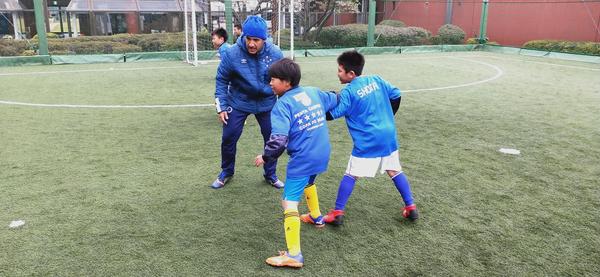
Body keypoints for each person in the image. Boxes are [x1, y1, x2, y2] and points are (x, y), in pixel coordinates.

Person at [312, 50, 419, 225]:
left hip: (368, 140)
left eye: (340, 70)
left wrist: (316, 111)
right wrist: (390, 115)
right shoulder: (377, 79)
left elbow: (334, 113)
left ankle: (337, 212)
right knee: (394, 170)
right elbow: (396, 94)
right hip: (388, 135)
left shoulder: (348, 92)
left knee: (351, 174)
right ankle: (411, 207)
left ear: (351, 73)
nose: (337, 73)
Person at [255, 58, 338, 268]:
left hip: (303, 157)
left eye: (273, 79)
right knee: (310, 182)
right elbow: (335, 98)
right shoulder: (313, 92)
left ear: (287, 82)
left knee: (289, 202)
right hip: (322, 152)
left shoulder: (281, 105)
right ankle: (316, 216)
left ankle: (294, 255)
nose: (270, 83)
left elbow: (278, 141)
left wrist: (264, 157)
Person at [211, 16, 285, 189]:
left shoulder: (275, 53)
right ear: (243, 36)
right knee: (228, 137)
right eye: (248, 39)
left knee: (273, 139)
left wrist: (284, 104)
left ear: (264, 40)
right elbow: (221, 79)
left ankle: (270, 174)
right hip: (239, 101)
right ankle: (227, 172)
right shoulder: (231, 53)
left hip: (267, 102)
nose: (251, 44)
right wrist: (220, 107)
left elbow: (284, 79)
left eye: (256, 40)